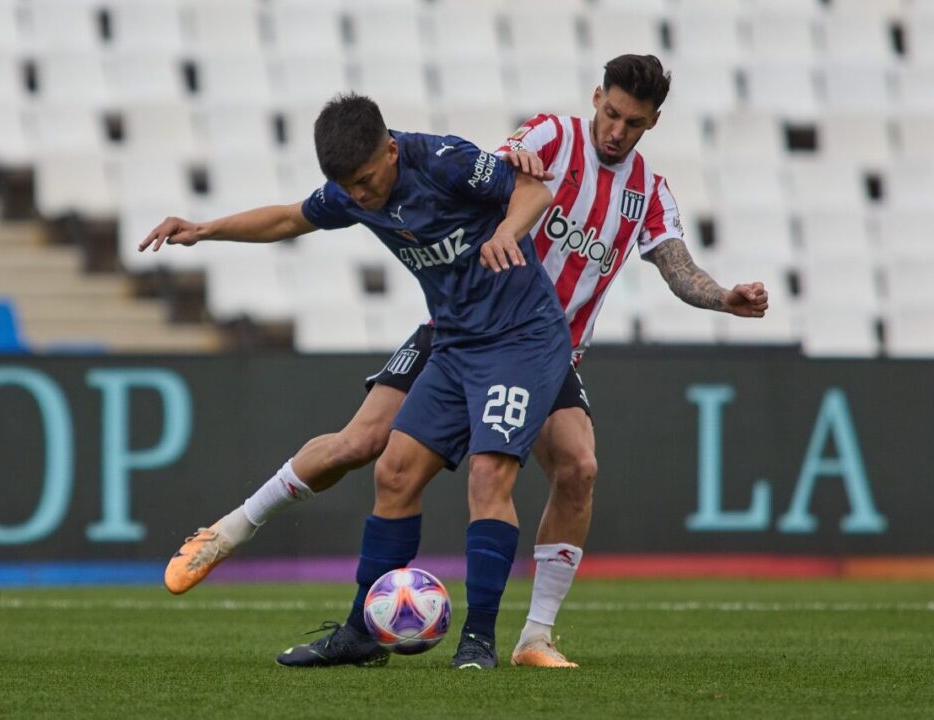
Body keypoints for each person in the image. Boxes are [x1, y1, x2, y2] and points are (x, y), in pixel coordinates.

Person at [161, 55, 770, 669]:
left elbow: (676, 267)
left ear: (652, 123)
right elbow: (510, 165)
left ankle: (523, 638)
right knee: (371, 451)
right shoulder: (550, 137)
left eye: (631, 121)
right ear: (595, 99)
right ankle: (246, 542)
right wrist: (206, 229)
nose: (615, 129)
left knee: (569, 467)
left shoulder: (646, 194)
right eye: (609, 113)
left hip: (535, 340)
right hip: (453, 327)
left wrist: (722, 297)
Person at [142, 93, 573, 670]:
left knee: (489, 473)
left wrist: (507, 231)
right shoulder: (353, 190)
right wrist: (205, 229)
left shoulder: (444, 161)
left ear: (391, 150)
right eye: (349, 187)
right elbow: (289, 217)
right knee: (393, 472)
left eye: (368, 180)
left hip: (521, 339)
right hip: (454, 341)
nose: (361, 195)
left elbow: (533, 190)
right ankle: (363, 634)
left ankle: (478, 641)